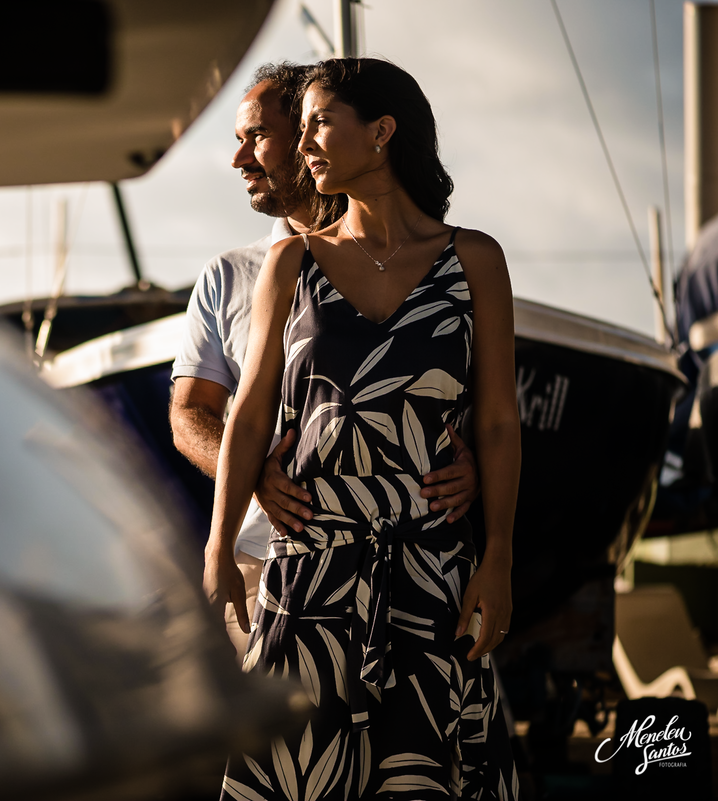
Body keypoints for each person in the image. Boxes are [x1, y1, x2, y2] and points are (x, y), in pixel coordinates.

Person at [205, 58, 521, 798]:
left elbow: (500, 420)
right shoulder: (293, 260)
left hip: (431, 571)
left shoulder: (474, 260)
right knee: (291, 772)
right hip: (309, 566)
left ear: (382, 132)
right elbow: (251, 412)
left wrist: (499, 555)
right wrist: (220, 544)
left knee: (422, 774)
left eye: (319, 121)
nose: (303, 141)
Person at [169, 62, 480, 657]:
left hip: (417, 564)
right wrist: (256, 478)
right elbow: (191, 415)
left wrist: (474, 470)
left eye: (257, 136)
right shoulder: (232, 275)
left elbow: (473, 407)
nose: (240, 160)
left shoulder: (450, 263)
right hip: (272, 564)